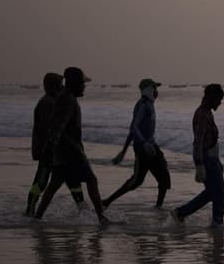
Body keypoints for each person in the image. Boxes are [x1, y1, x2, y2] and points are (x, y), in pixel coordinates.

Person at [33, 67, 111, 225]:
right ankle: (102, 218)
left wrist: (52, 149)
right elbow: (58, 127)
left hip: (62, 151)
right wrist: (52, 148)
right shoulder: (68, 99)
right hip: (71, 151)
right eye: (82, 83)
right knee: (91, 180)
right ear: (75, 83)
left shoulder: (65, 97)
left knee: (54, 183)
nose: (84, 86)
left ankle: (37, 217)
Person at [25, 72, 86, 215]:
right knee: (42, 181)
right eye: (60, 84)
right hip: (50, 151)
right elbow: (51, 129)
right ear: (54, 86)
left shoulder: (53, 101)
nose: (63, 86)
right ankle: (31, 210)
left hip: (55, 150)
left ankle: (83, 210)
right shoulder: (48, 102)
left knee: (70, 181)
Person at [104, 78, 171, 209]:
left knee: (164, 178)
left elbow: (134, 129)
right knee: (136, 181)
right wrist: (142, 144)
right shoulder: (143, 105)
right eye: (155, 88)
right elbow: (134, 127)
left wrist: (123, 151)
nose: (157, 91)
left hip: (152, 146)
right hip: (143, 148)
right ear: (149, 90)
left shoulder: (150, 104)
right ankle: (107, 201)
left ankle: (158, 208)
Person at [172, 83, 224, 227]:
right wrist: (199, 165)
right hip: (207, 159)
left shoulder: (206, 112)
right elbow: (197, 142)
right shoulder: (203, 114)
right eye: (219, 98)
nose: (221, 102)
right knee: (219, 193)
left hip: (211, 158)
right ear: (212, 98)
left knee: (211, 192)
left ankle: (181, 213)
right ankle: (217, 223)